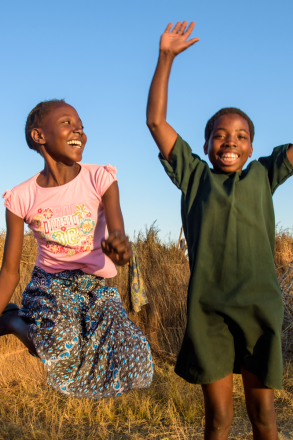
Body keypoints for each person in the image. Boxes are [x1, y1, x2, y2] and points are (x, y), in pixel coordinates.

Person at [0, 99, 153, 398]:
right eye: (67, 122)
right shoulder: (21, 198)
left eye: (80, 125)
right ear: (39, 135)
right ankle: (11, 321)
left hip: (95, 286)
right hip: (51, 284)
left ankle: (19, 321)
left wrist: (120, 250)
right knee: (59, 344)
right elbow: (9, 271)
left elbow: (118, 237)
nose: (78, 129)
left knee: (133, 357)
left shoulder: (100, 178)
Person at [146, 21, 293, 440]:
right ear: (206, 141)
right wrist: (166, 58)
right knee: (219, 420)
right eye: (220, 135)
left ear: (252, 146)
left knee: (264, 417)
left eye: (242, 136)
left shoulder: (265, 174)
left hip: (259, 309)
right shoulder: (194, 176)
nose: (231, 141)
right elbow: (156, 122)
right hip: (208, 311)